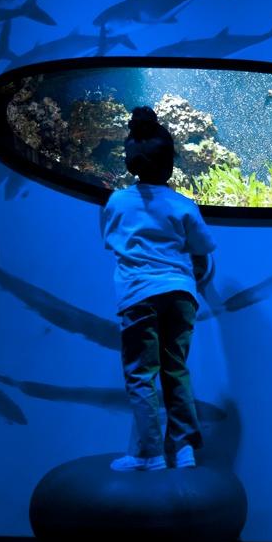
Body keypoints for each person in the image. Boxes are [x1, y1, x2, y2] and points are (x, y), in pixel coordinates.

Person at [99, 106, 217, 472]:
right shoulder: (183, 205)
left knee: (141, 372)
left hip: (138, 295)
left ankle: (148, 453)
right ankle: (183, 450)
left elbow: (110, 241)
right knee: (175, 369)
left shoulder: (117, 202)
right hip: (181, 296)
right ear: (170, 163)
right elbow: (203, 248)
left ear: (129, 162)